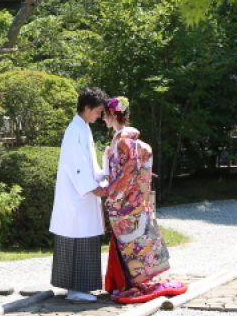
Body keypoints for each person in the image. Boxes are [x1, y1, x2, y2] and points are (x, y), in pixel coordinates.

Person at [102, 96, 187, 304]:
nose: (102, 119)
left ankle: (137, 283)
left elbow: (127, 173)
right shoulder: (136, 143)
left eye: (104, 115)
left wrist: (110, 194)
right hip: (137, 200)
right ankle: (136, 281)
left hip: (124, 203)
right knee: (139, 241)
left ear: (113, 114)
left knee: (133, 244)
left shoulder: (122, 142)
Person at [49, 87, 110, 301]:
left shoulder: (83, 128)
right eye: (98, 111)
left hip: (83, 195)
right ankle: (75, 290)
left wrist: (102, 176)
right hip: (77, 196)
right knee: (78, 237)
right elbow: (76, 166)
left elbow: (88, 164)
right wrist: (94, 187)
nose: (100, 116)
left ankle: (81, 288)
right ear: (87, 107)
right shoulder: (74, 130)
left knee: (85, 236)